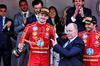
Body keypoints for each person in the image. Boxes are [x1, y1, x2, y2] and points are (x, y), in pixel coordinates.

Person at [13, 0, 33, 66]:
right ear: (20, 6)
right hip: (21, 42)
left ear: (27, 5)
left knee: (32, 60)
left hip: (31, 41)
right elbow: (15, 30)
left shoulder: (32, 15)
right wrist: (23, 24)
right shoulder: (16, 16)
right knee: (20, 62)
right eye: (22, 5)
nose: (23, 6)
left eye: (25, 4)